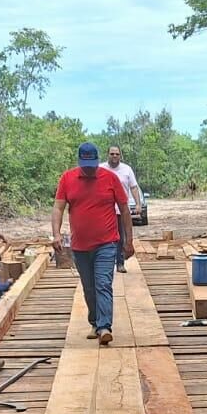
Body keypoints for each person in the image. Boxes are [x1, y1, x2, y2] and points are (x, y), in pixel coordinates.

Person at [52, 143, 133, 345]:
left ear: (98, 160)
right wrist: (56, 234)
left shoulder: (110, 178)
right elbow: (58, 208)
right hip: (80, 246)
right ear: (80, 161)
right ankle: (95, 322)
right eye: (85, 164)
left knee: (103, 284)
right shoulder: (67, 179)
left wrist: (129, 241)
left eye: (92, 164)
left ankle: (105, 326)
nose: (89, 168)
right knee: (89, 287)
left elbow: (124, 210)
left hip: (106, 243)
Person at [105, 146, 142, 274]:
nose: (114, 156)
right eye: (112, 154)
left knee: (120, 238)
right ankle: (106, 263)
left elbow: (134, 187)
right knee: (105, 238)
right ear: (107, 155)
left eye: (117, 154)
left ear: (120, 156)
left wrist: (138, 204)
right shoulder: (101, 168)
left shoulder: (127, 170)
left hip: (121, 210)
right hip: (104, 211)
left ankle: (120, 263)